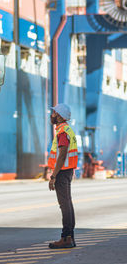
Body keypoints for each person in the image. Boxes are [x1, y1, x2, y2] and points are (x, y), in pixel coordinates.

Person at [48, 103, 78, 249]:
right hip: (67, 171)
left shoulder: (62, 131)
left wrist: (53, 176)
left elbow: (62, 155)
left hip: (62, 171)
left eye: (53, 113)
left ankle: (66, 237)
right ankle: (69, 237)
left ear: (59, 116)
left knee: (64, 204)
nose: (51, 115)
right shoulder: (66, 130)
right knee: (68, 203)